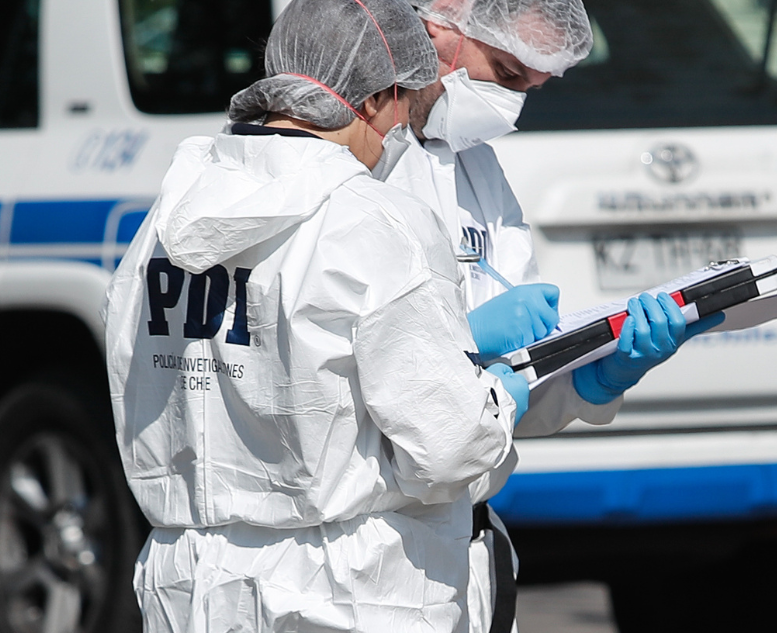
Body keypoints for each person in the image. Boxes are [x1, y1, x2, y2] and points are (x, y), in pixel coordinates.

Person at [103, 0, 530, 630]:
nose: (398, 138)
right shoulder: (377, 222)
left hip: (192, 585)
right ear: (377, 98)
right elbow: (447, 449)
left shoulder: (161, 225)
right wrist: (498, 404)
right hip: (347, 588)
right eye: (403, 109)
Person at [377, 1, 726, 631]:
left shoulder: (475, 164)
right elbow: (324, 375)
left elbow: (510, 393)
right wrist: (461, 343)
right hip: (372, 548)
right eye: (507, 73)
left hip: (465, 543)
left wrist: (593, 379)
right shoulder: (353, 164)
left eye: (533, 87)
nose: (512, 103)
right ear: (435, 26)